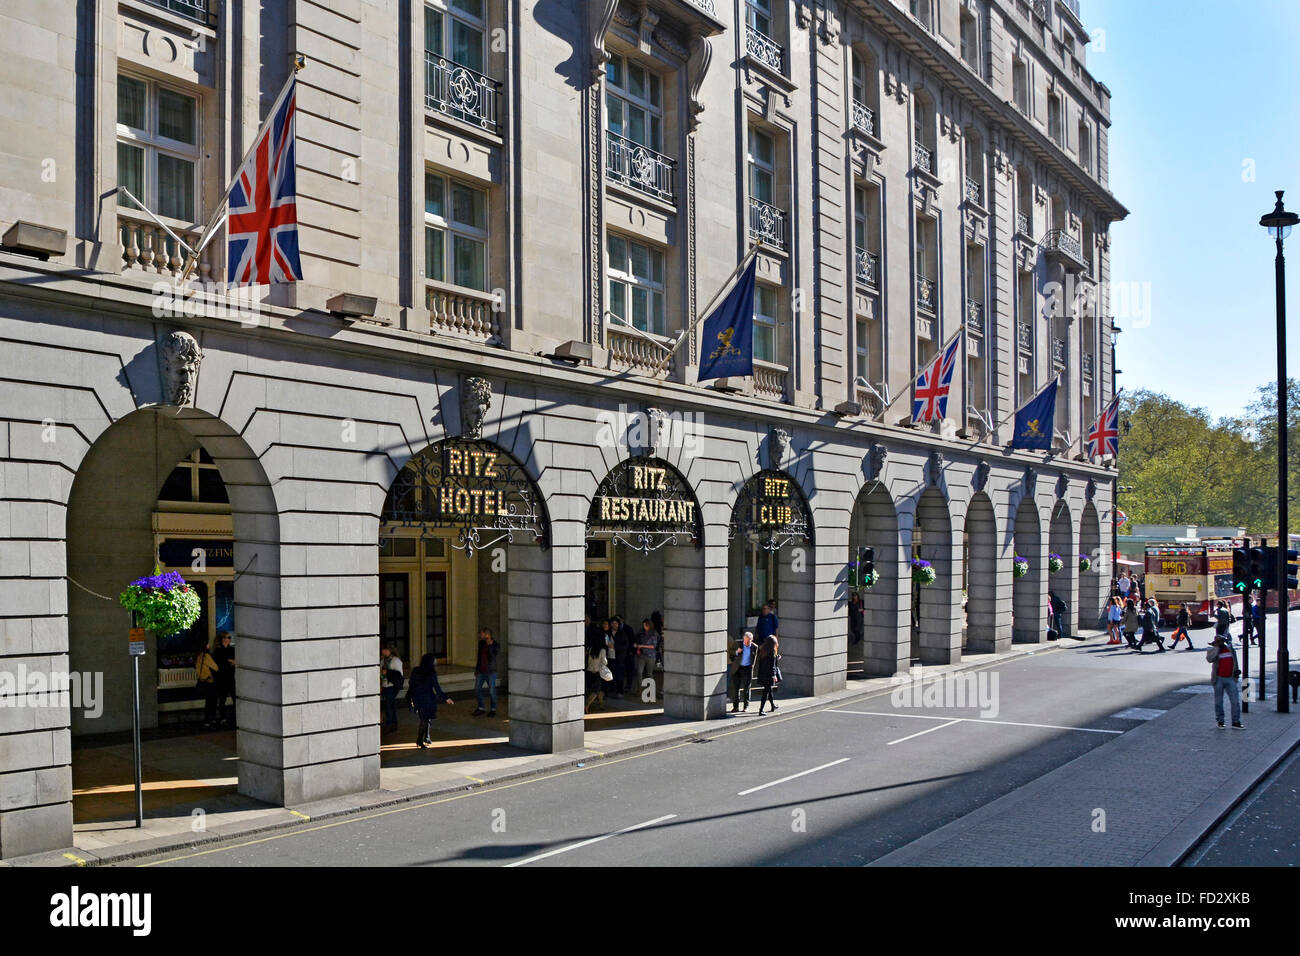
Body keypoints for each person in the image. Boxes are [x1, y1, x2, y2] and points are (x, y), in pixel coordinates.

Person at [408, 653, 453, 748]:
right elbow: (437, 688)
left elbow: (411, 684)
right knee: (425, 719)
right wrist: (446, 698)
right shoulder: (431, 673)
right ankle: (420, 740)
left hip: (417, 698)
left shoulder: (416, 670)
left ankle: (426, 737)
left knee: (424, 718)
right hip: (427, 698)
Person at [1206, 633, 1243, 729]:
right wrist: (1217, 648)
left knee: (1235, 701)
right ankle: (1220, 721)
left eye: (1222, 641)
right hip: (1218, 679)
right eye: (1219, 641)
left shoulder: (1230, 649)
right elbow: (1209, 659)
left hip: (1230, 678)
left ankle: (1236, 721)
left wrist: (1236, 672)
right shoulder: (1213, 650)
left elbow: (1235, 660)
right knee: (1218, 701)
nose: (1221, 643)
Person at [471, 626, 499, 717]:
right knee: (477, 689)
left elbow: (493, 657)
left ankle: (493, 709)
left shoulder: (495, 645)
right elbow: (479, 657)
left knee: (492, 691)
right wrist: (476, 669)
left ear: (487, 634)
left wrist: (490, 645)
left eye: (481, 633)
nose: (480, 635)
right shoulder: (481, 643)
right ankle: (481, 707)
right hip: (481, 671)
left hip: (490, 672)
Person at [212, 631, 237, 726]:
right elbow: (221, 662)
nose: (229, 639)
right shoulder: (218, 650)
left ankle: (233, 717)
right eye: (228, 637)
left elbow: (233, 660)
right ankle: (223, 717)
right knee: (222, 699)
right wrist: (229, 661)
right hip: (222, 678)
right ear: (223, 639)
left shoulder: (231, 649)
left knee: (235, 697)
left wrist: (230, 661)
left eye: (230, 638)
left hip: (230, 677)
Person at [195, 641, 221, 728]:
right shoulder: (206, 656)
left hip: (202, 681)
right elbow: (216, 668)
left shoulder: (199, 656)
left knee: (208, 701)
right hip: (209, 682)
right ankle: (210, 719)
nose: (209, 645)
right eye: (208, 644)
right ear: (206, 646)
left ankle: (208, 720)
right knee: (212, 701)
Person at [731, 630, 758, 713]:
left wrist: (751, 668)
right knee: (736, 689)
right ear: (743, 639)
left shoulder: (754, 647)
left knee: (746, 688)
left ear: (751, 640)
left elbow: (754, 659)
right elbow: (730, 653)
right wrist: (736, 652)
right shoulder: (737, 643)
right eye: (745, 641)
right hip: (737, 669)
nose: (746, 643)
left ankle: (746, 707)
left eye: (748, 641)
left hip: (747, 669)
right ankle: (735, 707)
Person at [380, 645, 404, 732]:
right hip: (385, 685)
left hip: (392, 686)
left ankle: (389, 725)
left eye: (385, 650)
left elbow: (399, 675)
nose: (384, 651)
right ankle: (394, 724)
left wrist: (388, 672)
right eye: (383, 650)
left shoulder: (395, 660)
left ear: (390, 650)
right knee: (391, 705)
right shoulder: (383, 660)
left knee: (388, 705)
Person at [633, 618, 658, 698]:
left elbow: (653, 646)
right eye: (643, 625)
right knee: (639, 672)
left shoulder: (654, 633)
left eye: (645, 625)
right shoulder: (641, 632)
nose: (644, 626)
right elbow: (637, 639)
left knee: (649, 674)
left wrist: (642, 646)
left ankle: (650, 690)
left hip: (651, 656)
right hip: (642, 655)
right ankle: (639, 689)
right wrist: (636, 644)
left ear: (649, 625)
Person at [585, 626, 608, 713]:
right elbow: (604, 662)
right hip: (598, 671)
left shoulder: (590, 649)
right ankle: (587, 705)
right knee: (596, 690)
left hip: (590, 670)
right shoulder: (602, 650)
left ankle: (601, 704)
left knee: (599, 688)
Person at [755, 633, 780, 715]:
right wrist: (774, 675)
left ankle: (772, 706)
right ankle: (761, 710)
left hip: (763, 674)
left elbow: (765, 663)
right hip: (769, 675)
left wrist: (777, 658)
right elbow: (772, 665)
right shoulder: (772, 652)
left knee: (769, 690)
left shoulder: (763, 650)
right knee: (766, 692)